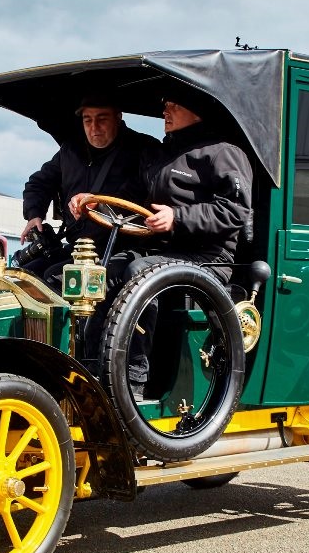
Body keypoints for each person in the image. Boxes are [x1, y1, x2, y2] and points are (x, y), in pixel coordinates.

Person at [74, 91, 253, 395]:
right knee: (103, 269)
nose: (165, 112)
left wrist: (178, 217)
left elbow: (236, 210)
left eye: (174, 105)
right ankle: (91, 369)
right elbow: (131, 200)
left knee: (140, 271)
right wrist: (92, 201)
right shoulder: (162, 155)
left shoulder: (223, 152)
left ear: (196, 110)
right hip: (162, 252)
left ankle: (133, 381)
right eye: (165, 106)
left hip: (208, 259)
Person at [18, 93, 159, 281]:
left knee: (56, 278)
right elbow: (39, 182)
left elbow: (142, 195)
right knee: (26, 277)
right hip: (79, 247)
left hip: (125, 249)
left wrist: (96, 205)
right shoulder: (70, 150)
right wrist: (34, 213)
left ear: (118, 117)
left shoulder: (144, 149)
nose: (94, 128)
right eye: (87, 120)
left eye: (102, 119)